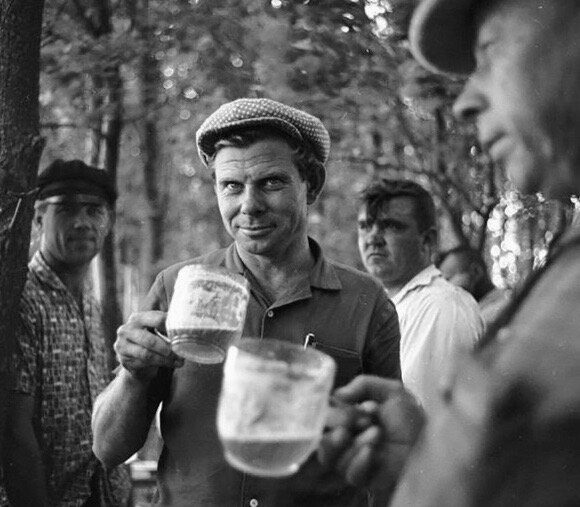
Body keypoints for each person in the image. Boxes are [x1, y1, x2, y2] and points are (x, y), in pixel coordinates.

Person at [321, 0, 580, 505]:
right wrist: (425, 460)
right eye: (366, 227)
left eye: (489, 51)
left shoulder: (444, 307)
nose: (464, 103)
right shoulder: (563, 267)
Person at [91, 98, 401, 507]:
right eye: (232, 186)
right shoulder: (177, 288)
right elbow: (107, 449)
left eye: (271, 182)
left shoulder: (367, 302)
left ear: (312, 184)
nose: (249, 205)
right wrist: (133, 377)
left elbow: (391, 460)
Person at [1, 160, 131, 506]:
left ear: (108, 222)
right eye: (66, 209)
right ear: (38, 218)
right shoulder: (21, 298)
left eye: (94, 211)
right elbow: (14, 430)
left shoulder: (91, 303)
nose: (82, 222)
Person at [357, 178, 483, 413]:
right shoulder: (387, 306)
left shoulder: (441, 307)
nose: (372, 238)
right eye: (365, 226)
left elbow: (429, 419)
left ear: (427, 240)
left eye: (391, 226)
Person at [437, 245, 510, 326]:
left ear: (476, 271)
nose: (443, 288)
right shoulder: (475, 315)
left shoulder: (499, 311)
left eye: (448, 279)